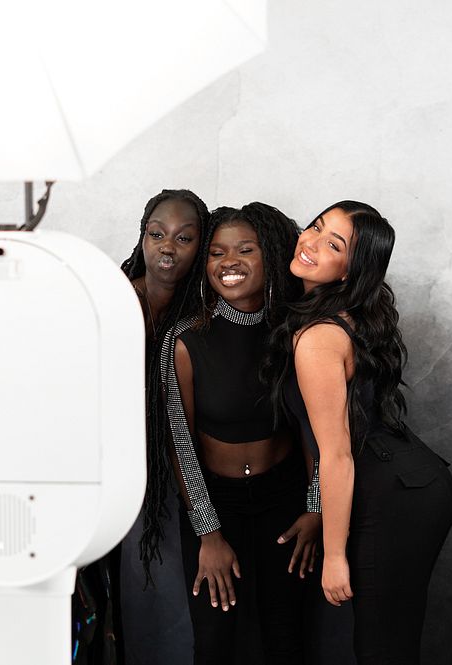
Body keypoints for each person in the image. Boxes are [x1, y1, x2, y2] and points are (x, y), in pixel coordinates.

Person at [265, 200, 452, 664]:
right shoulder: (334, 317)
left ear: (350, 271)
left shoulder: (318, 337)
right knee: (388, 644)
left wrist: (334, 556)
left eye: (333, 245)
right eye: (316, 227)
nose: (311, 242)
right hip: (408, 481)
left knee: (381, 648)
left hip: (395, 497)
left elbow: (336, 455)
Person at [162, 203, 314, 665]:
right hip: (215, 504)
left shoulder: (296, 332)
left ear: (271, 256)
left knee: (286, 638)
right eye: (216, 252)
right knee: (215, 642)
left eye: (245, 250)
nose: (229, 262)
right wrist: (208, 535)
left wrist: (316, 507)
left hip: (284, 503)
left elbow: (316, 429)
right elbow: (180, 442)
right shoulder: (186, 338)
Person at [72, 189, 211, 665]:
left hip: (170, 473)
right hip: (104, 472)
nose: (167, 247)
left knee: (159, 600)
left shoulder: (199, 317)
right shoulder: (111, 301)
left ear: (200, 247)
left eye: (184, 238)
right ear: (142, 236)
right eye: (157, 234)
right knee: (99, 602)